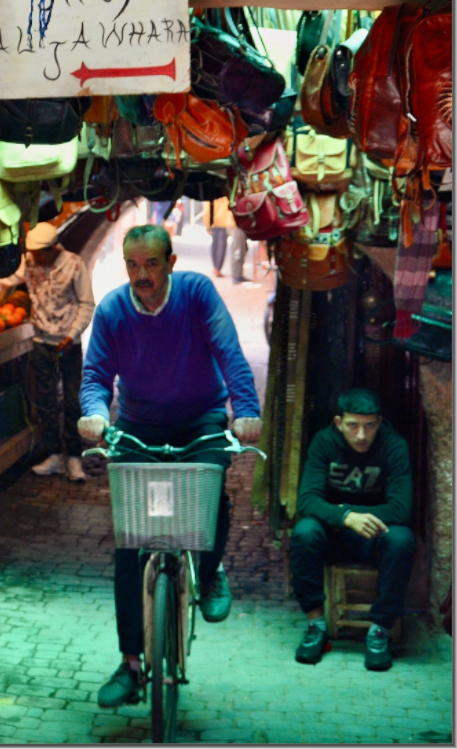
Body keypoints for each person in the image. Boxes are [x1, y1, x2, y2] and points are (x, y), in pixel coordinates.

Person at [77, 224, 262, 708]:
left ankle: (211, 564)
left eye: (151, 264)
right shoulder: (114, 309)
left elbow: (229, 352)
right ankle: (131, 664)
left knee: (211, 488)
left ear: (171, 263)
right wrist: (95, 413)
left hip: (200, 419)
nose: (142, 275)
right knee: (130, 541)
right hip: (139, 424)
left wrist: (246, 411)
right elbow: (95, 374)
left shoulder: (197, 295)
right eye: (133, 265)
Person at [291, 388, 415, 672]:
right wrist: (346, 516)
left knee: (402, 539)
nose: (362, 435)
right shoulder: (324, 442)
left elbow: (401, 509)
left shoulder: (394, 446)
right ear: (339, 423)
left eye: (370, 425)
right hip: (334, 533)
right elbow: (307, 500)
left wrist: (360, 517)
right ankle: (316, 627)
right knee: (304, 532)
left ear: (380, 422)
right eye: (353, 425)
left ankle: (380, 631)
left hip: (375, 536)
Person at [0, 222, 95, 482]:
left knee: (73, 401)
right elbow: (5, 279)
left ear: (52, 249)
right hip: (41, 343)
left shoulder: (74, 265)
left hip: (67, 345)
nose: (34, 258)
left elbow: (86, 303)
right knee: (46, 401)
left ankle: (73, 457)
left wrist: (72, 334)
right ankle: (52, 454)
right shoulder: (28, 262)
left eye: (39, 253)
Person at [203, 197, 248, 284]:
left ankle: (217, 268)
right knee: (219, 247)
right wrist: (208, 224)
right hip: (219, 222)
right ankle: (218, 269)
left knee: (219, 246)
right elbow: (208, 209)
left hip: (223, 222)